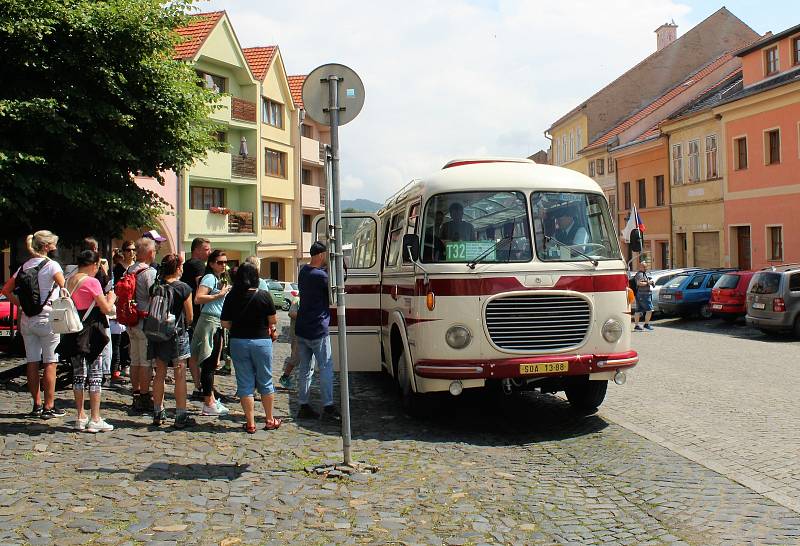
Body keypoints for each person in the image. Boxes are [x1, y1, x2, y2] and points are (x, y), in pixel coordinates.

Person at [0, 231, 66, 419]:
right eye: (52, 245)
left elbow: (6, 289)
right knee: (50, 362)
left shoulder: (24, 266)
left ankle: (36, 404)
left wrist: (19, 303)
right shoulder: (53, 265)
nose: (54, 248)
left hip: (28, 319)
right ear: (46, 247)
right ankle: (49, 406)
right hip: (47, 319)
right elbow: (63, 287)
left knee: (32, 362)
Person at [220, 262, 281, 433]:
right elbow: (273, 320)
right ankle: (269, 419)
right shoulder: (264, 295)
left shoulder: (231, 296)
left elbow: (224, 322)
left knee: (244, 382)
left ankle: (250, 423)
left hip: (239, 341)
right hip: (261, 341)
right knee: (266, 380)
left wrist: (237, 326)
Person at [64, 250, 117, 432]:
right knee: (94, 375)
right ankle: (95, 417)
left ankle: (80, 416)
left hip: (74, 331)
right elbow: (107, 309)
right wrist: (112, 297)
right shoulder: (92, 281)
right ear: (94, 265)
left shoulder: (69, 280)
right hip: (92, 331)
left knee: (78, 374)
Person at [149, 254, 195, 428]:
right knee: (180, 375)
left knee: (159, 374)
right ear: (178, 268)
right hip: (177, 334)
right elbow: (189, 316)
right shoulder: (184, 288)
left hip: (158, 333)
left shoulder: (156, 286)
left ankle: (157, 411)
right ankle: (180, 414)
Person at [295, 241, 340, 421]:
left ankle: (303, 404)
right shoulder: (321, 276)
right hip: (318, 328)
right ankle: (328, 406)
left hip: (302, 326)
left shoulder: (304, 272)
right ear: (321, 255)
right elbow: (339, 284)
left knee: (305, 369)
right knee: (326, 367)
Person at [189, 249, 231, 417]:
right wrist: (219, 295)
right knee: (208, 363)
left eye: (225, 262)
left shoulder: (219, 278)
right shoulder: (209, 278)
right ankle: (208, 402)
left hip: (216, 322)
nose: (224, 265)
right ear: (212, 263)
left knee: (212, 363)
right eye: (220, 262)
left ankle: (211, 399)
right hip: (209, 321)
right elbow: (198, 298)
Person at [126, 237, 158, 414]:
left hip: (130, 320)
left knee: (135, 359)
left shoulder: (130, 269)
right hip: (144, 320)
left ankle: (136, 393)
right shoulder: (149, 272)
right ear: (149, 252)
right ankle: (145, 396)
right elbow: (153, 296)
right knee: (145, 362)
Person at [181, 237, 211, 400]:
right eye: (206, 249)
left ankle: (199, 385)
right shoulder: (198, 265)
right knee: (199, 352)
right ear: (197, 250)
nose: (209, 252)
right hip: (198, 313)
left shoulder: (187, 264)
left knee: (192, 351)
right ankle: (202, 386)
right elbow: (202, 287)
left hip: (188, 312)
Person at [278, 294, 300, 389]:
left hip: (302, 332)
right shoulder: (297, 299)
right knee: (295, 357)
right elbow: (291, 313)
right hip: (297, 333)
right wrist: (307, 314)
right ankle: (285, 377)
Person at [633, 261, 655, 331]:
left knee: (638, 310)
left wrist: (649, 282)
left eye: (646, 267)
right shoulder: (640, 274)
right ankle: (646, 324)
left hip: (641, 294)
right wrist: (648, 283)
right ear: (640, 267)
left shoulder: (642, 274)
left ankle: (636, 326)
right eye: (644, 267)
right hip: (644, 294)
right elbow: (639, 283)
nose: (646, 268)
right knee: (649, 310)